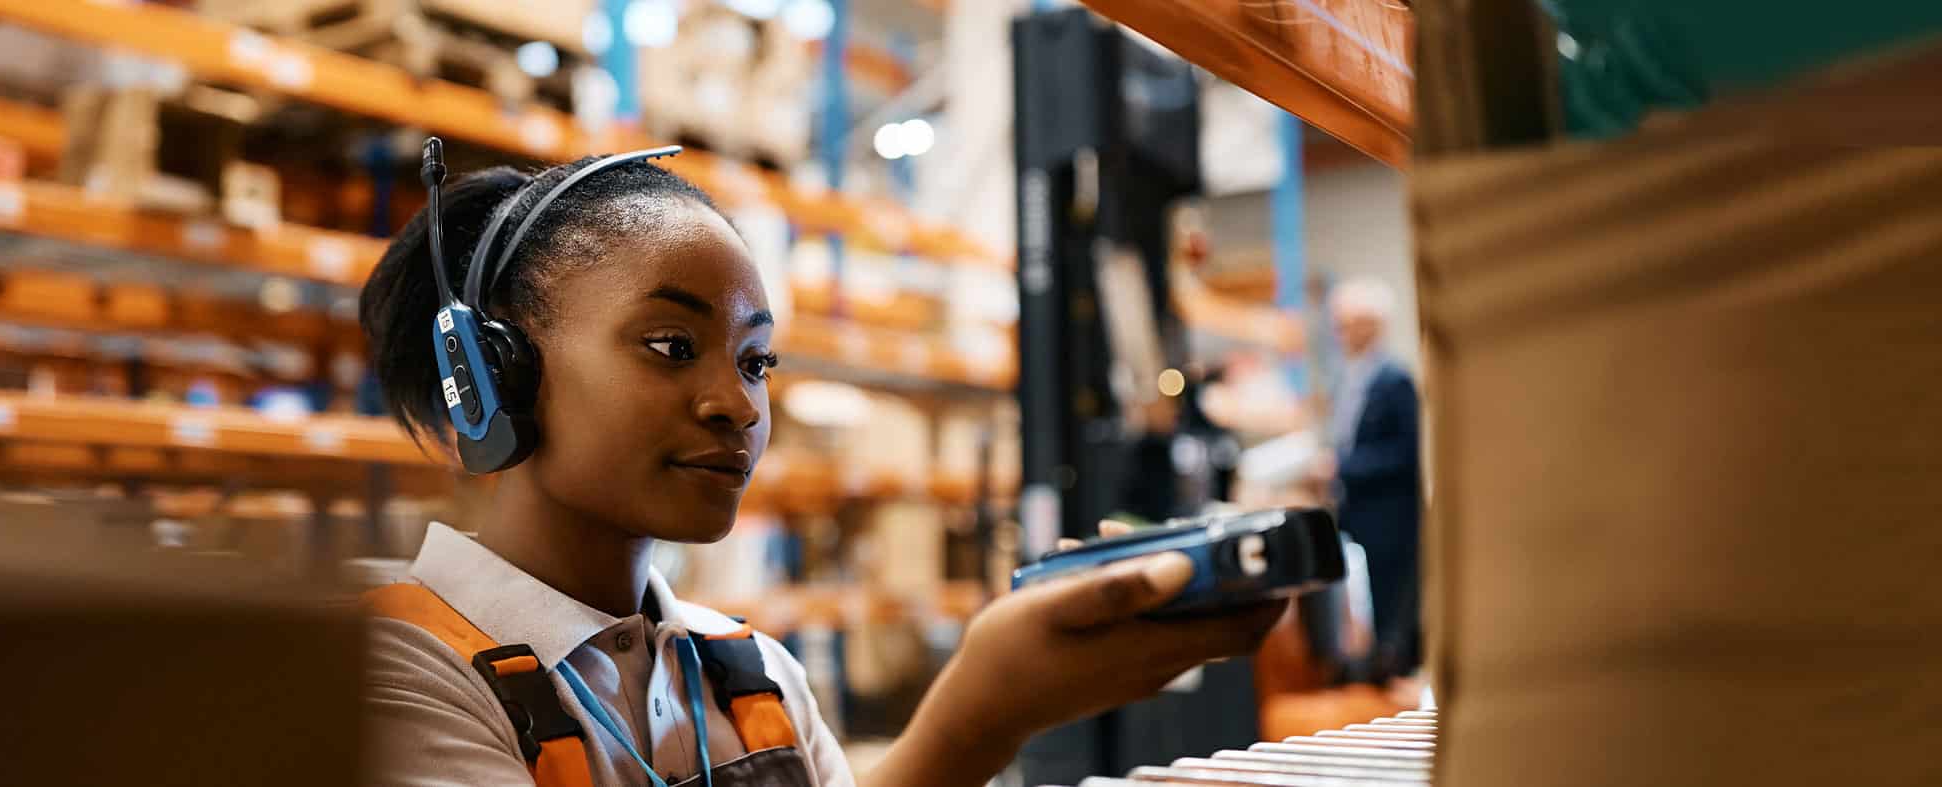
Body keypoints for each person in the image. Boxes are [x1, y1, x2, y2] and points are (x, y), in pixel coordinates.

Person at [356, 142, 1283, 787]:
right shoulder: (388, 677)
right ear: (494, 377)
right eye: (674, 345)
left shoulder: (751, 674)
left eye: (755, 360)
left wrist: (1000, 705)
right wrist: (974, 718)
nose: (739, 403)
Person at [1322, 278, 1423, 679]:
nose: (1341, 334)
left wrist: (1343, 468)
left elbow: (1406, 454)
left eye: (1348, 324)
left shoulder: (1394, 380)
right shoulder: (1349, 379)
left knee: (1387, 609)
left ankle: (1388, 677)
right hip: (1355, 513)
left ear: (1372, 326)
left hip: (1387, 519)